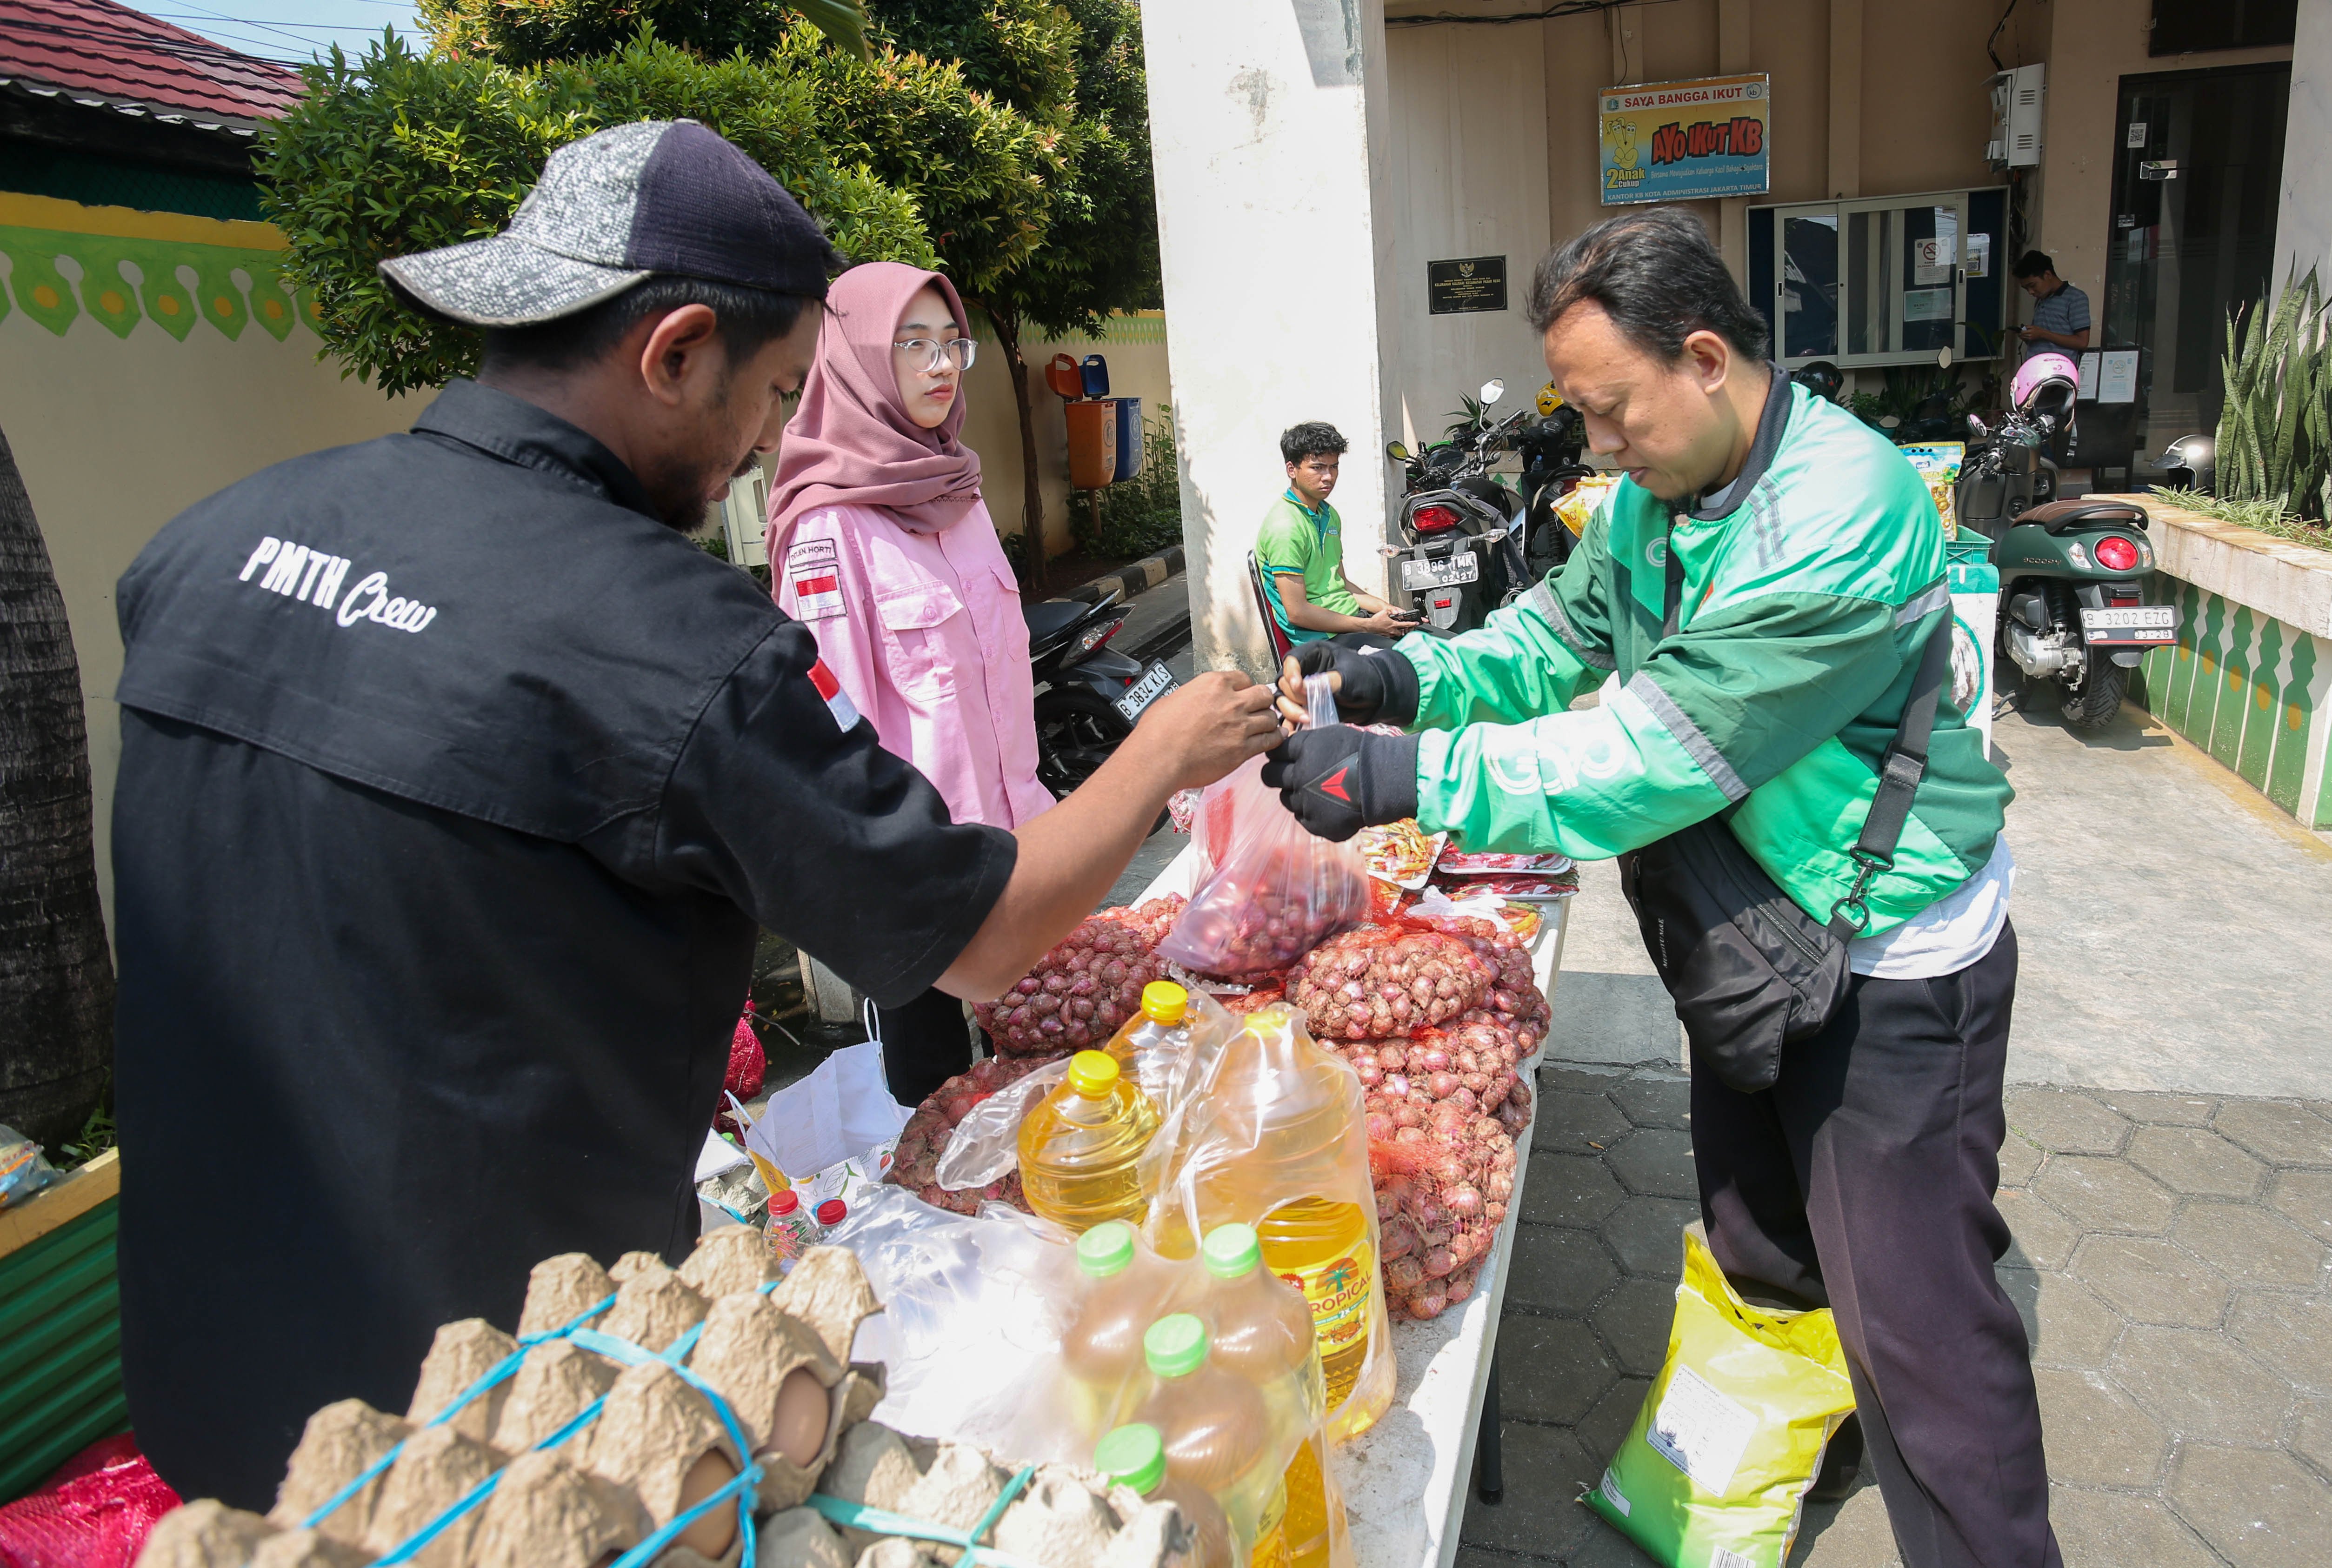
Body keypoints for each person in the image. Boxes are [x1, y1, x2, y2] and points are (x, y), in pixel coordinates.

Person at [107, 120, 1277, 1510]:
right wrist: (1159, 749)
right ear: (674, 353)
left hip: (215, 1385)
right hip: (496, 1433)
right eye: (774, 392)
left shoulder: (207, 542)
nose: (769, 441)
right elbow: (979, 942)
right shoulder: (668, 643)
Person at [1262, 208, 2056, 1565]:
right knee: (1758, 1235)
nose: (1599, 448)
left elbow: (1653, 754)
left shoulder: (1835, 517)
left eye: (1611, 409)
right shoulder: (1653, 494)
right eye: (1579, 413)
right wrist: (1413, 674)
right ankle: (1792, 1443)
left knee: (1927, 1345)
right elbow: (1560, 633)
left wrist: (1414, 774)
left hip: (1884, 968)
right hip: (1751, 939)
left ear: (1701, 358)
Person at [766, 262, 1052, 1105]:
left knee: (1042, 1083)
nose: (940, 366)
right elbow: (826, 726)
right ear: (853, 358)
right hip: (916, 875)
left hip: (1016, 848)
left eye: (949, 344)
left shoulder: (957, 488)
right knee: (940, 1103)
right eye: (910, 344)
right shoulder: (828, 527)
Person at [1255, 421, 1416, 648]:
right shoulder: (1285, 527)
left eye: (1334, 467)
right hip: (1320, 641)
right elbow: (1297, 613)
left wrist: (1386, 609)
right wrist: (1369, 626)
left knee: (1429, 642)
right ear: (1292, 470)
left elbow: (1341, 585)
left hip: (1350, 624)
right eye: (1318, 468)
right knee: (1416, 661)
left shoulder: (1328, 514)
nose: (1328, 477)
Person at [2013, 250, 2092, 364]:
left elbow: (2082, 342)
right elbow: (2045, 341)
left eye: (2033, 285)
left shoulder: (2076, 298)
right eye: (2026, 289)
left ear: (2048, 275)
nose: (2030, 292)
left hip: (2059, 371)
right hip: (2035, 369)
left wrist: (2042, 334)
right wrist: (2029, 336)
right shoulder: (2041, 299)